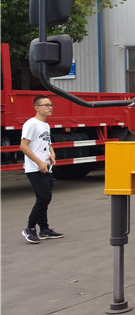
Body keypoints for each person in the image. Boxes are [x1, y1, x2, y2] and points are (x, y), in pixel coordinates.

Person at [20, 95, 64, 244]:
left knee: (45, 198)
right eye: (46, 105)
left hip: (46, 166)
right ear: (37, 108)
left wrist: (52, 153)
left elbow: (47, 142)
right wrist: (39, 162)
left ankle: (44, 229)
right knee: (44, 198)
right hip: (35, 168)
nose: (50, 108)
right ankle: (30, 228)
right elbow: (23, 146)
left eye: (51, 105)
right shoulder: (31, 124)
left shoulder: (45, 125)